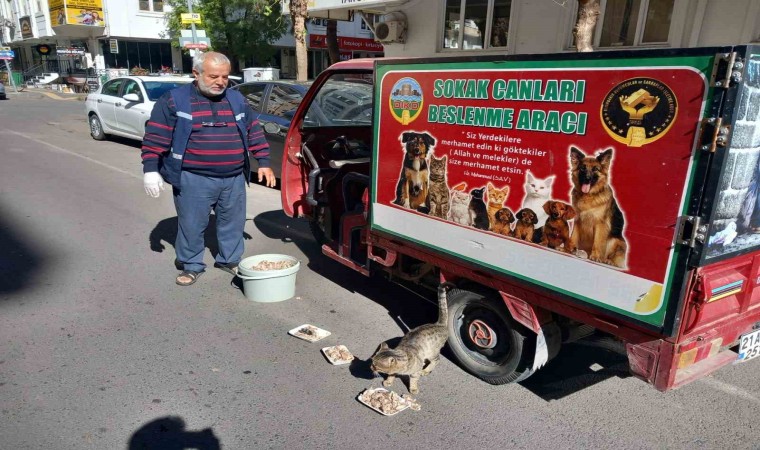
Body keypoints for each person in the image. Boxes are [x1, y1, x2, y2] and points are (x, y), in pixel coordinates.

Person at [141, 52, 275, 286]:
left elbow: (253, 131)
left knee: (233, 223)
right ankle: (191, 264)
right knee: (192, 225)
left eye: (225, 76)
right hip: (194, 177)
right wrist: (150, 169)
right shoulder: (174, 100)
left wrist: (263, 162)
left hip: (233, 177)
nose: (221, 82)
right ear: (196, 73)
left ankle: (229, 260)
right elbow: (156, 136)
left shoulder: (237, 99)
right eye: (214, 76)